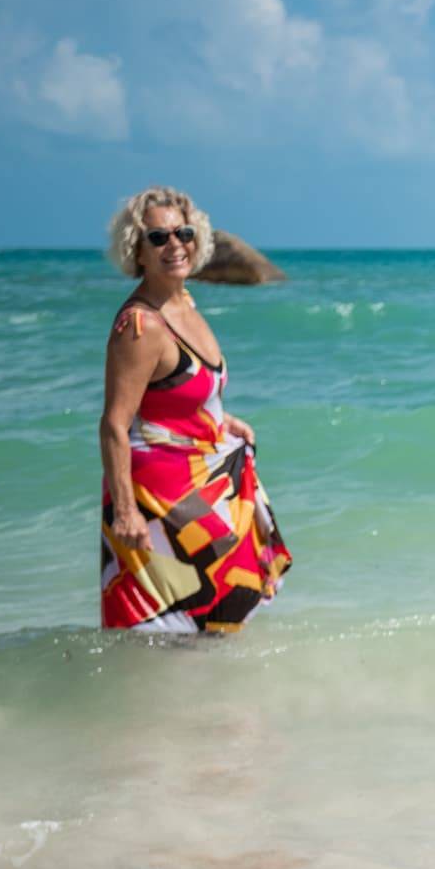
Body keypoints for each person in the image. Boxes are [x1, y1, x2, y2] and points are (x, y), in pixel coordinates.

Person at [98, 186, 292, 633]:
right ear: (137, 251)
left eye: (183, 233)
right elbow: (114, 424)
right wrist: (125, 511)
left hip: (197, 496)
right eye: (158, 237)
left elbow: (176, 395)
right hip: (157, 508)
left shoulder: (184, 303)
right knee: (164, 638)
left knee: (215, 627)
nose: (175, 245)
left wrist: (222, 421)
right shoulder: (141, 325)